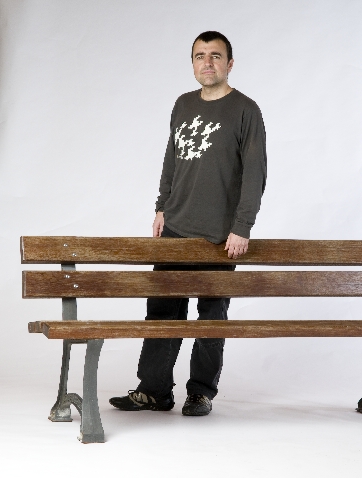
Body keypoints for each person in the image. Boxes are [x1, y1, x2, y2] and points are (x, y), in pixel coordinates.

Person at [109, 31, 267, 416]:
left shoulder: (246, 110)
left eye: (216, 55)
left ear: (230, 63)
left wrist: (242, 227)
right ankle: (154, 391)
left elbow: (255, 174)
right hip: (175, 228)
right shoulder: (182, 104)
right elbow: (171, 160)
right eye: (200, 55)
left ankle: (201, 392)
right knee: (162, 311)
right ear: (193, 63)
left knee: (211, 316)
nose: (207, 62)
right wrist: (161, 207)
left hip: (219, 236)